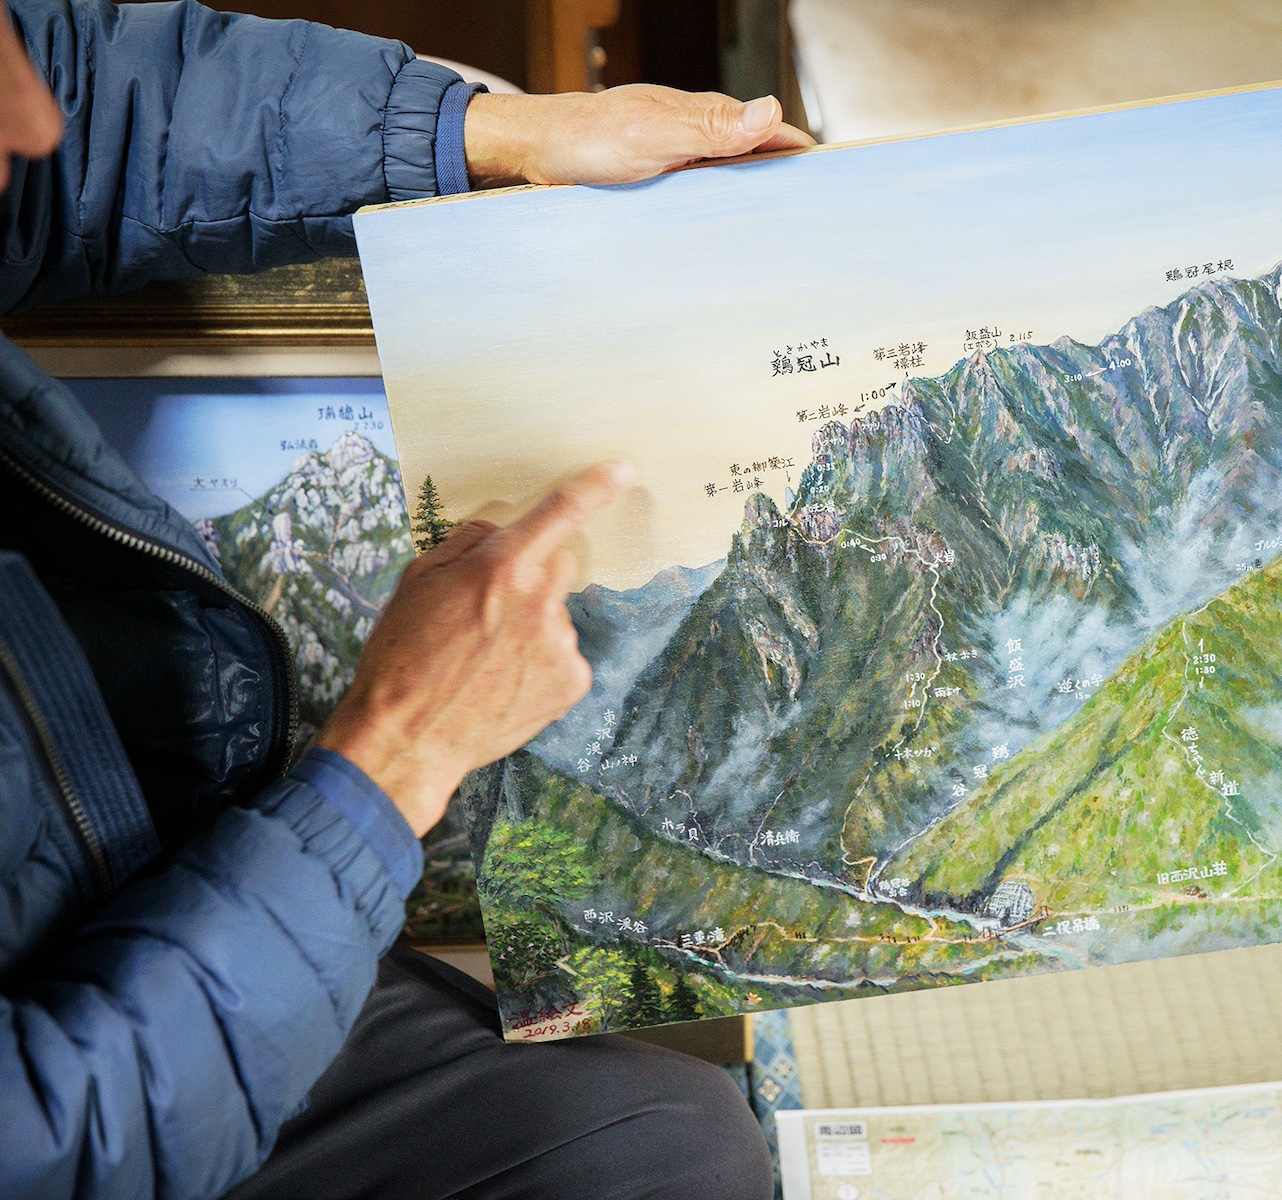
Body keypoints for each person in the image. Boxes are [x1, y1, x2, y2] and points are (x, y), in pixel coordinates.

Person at [0, 2, 811, 1196]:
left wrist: (498, 132)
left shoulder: (23, 99)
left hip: (117, 903)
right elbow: (55, 1140)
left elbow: (92, 111)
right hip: (89, 1089)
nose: (30, 117)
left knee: (671, 1143)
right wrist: (397, 757)